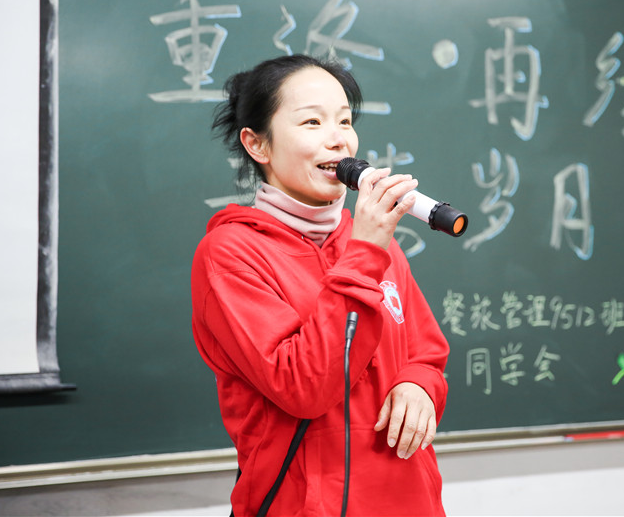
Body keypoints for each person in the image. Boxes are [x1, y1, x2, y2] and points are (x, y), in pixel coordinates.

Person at [190, 54, 450, 516]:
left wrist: (419, 385)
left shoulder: (374, 243)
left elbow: (426, 353)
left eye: (345, 121)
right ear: (257, 144)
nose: (339, 139)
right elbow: (303, 387)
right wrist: (365, 251)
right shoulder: (229, 254)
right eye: (312, 122)